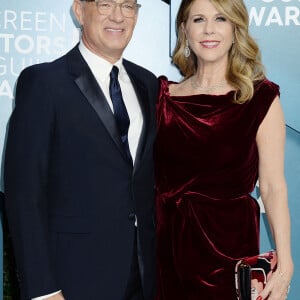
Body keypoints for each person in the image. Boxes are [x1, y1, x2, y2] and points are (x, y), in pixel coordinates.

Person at [4, 0, 158, 299]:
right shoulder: (44, 82)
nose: (118, 16)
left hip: (143, 276)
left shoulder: (147, 83)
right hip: (73, 279)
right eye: (105, 4)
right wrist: (43, 289)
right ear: (79, 10)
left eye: (128, 6)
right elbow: (24, 193)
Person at [154, 0, 293, 299]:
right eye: (198, 19)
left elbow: (272, 187)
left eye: (220, 19)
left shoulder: (260, 98)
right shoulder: (162, 97)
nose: (209, 30)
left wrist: (286, 266)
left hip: (229, 253)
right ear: (183, 30)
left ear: (235, 29)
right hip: (164, 248)